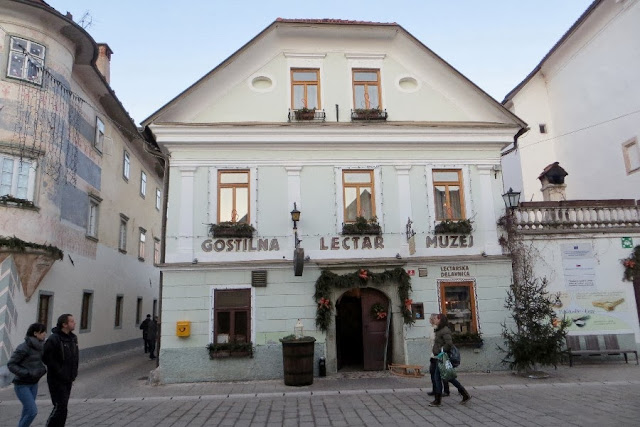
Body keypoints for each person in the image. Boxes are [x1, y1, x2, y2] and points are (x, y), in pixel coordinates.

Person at [8, 323, 47, 427]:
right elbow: (11, 364)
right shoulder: (23, 347)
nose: (45, 334)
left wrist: (43, 370)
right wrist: (27, 373)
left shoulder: (41, 346)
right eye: (42, 332)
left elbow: (43, 361)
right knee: (32, 411)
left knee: (26, 412)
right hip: (22, 385)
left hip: (34, 383)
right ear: (35, 333)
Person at [43, 314, 79, 427]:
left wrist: (73, 373)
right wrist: (59, 371)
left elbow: (74, 357)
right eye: (72, 321)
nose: (74, 323)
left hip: (68, 378)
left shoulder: (73, 338)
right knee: (59, 406)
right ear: (64, 324)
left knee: (63, 408)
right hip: (56, 379)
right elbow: (46, 357)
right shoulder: (54, 338)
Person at [428, 313, 471, 407]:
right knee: (447, 377)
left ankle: (437, 400)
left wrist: (441, 351)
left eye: (436, 318)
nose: (434, 320)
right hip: (439, 357)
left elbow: (449, 343)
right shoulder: (439, 329)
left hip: (443, 357)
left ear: (441, 320)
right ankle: (464, 394)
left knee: (439, 377)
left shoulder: (444, 330)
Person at [427, 314, 450, 398]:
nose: (429, 320)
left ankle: (445, 391)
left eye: (431, 318)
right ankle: (435, 390)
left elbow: (447, 343)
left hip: (440, 355)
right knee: (433, 373)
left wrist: (441, 351)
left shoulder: (440, 329)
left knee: (442, 374)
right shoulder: (432, 328)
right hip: (433, 354)